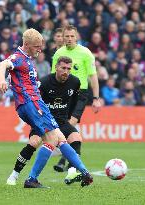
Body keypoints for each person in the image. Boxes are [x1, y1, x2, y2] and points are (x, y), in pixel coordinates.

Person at [0, 28, 93, 188]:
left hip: (35, 103)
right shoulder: (18, 58)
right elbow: (1, 65)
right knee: (51, 139)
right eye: (36, 46)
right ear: (26, 44)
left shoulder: (27, 59)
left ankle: (84, 172)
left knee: (60, 137)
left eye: (40, 46)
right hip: (30, 103)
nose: (40, 50)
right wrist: (1, 80)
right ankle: (31, 179)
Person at [6, 56, 84, 186]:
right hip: (43, 120)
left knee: (76, 138)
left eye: (69, 69)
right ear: (56, 68)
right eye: (63, 68)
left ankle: (71, 172)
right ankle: (14, 175)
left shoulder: (75, 82)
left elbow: (74, 100)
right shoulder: (45, 83)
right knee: (34, 142)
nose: (66, 71)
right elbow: (34, 102)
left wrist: (69, 117)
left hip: (61, 121)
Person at [52, 25, 102, 172]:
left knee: (71, 123)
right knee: (68, 127)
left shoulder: (85, 53)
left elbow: (93, 76)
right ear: (63, 37)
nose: (69, 39)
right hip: (63, 94)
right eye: (66, 36)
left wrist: (96, 98)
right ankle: (68, 158)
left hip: (80, 94)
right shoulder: (59, 53)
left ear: (77, 36)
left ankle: (63, 159)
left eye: (72, 36)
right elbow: (53, 76)